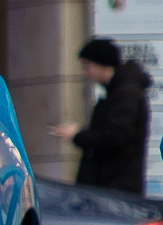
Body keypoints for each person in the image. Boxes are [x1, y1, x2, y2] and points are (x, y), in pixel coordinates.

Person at [50, 37, 151, 194]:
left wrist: (78, 135)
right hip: (113, 185)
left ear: (102, 65)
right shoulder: (119, 92)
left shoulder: (125, 94)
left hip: (115, 187)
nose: (85, 73)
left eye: (87, 67)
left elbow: (113, 137)